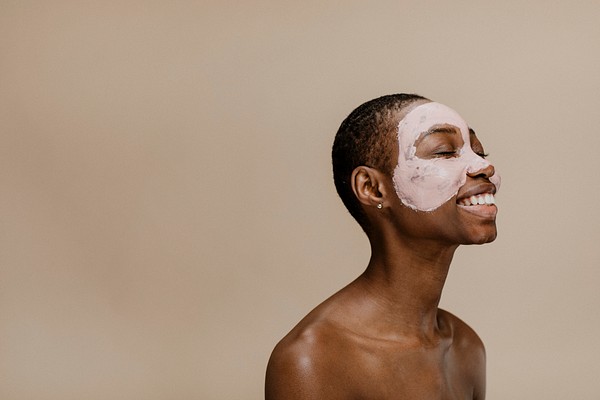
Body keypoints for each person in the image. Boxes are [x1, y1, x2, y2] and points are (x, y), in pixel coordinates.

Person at [265, 93, 500, 399]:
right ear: (372, 188)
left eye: (479, 152)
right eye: (444, 151)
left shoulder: (466, 347)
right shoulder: (313, 360)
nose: (484, 166)